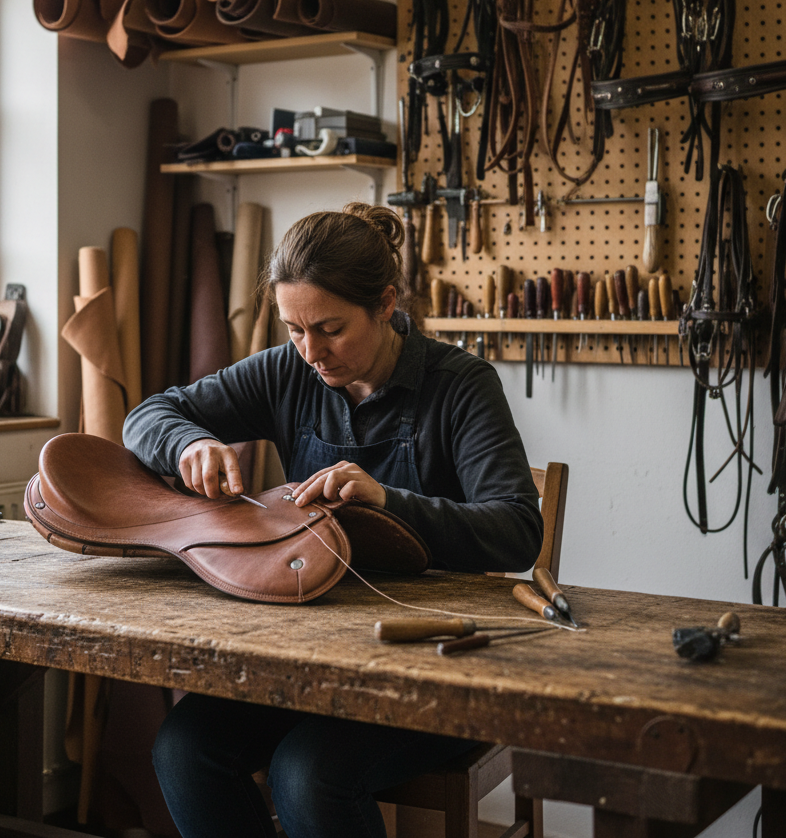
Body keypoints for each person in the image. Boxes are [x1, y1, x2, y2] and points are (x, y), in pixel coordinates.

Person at [123, 202, 543, 838]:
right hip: (312, 654)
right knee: (184, 750)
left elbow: (517, 529)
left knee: (307, 773)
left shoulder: (461, 386)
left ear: (385, 304)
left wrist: (390, 502)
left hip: (434, 662)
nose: (311, 351)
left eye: (330, 328)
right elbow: (149, 414)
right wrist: (187, 444)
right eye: (294, 329)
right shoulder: (288, 371)